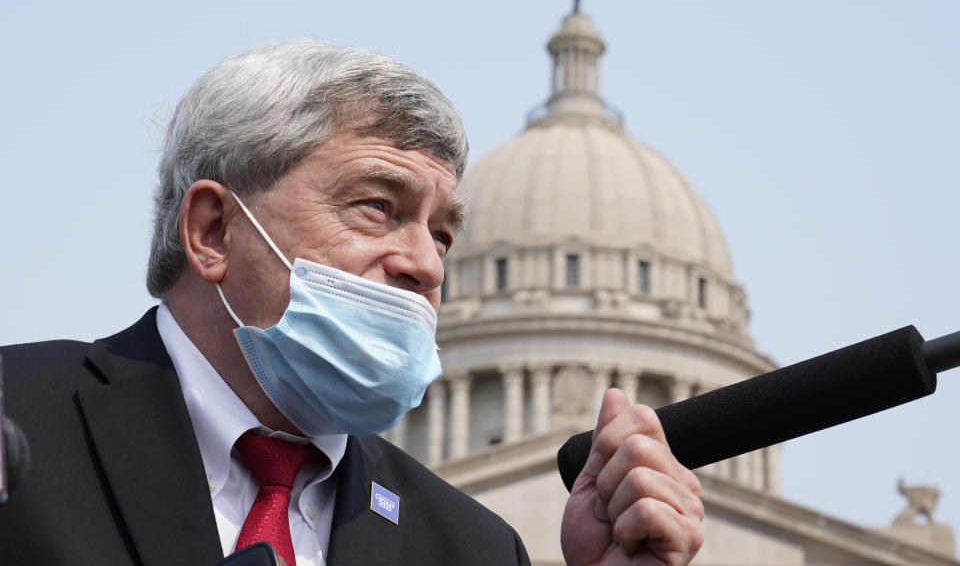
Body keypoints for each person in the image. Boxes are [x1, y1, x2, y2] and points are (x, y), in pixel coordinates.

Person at [0, 40, 703, 566]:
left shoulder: (475, 549)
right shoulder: (16, 422)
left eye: (444, 232)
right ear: (214, 230)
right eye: (377, 207)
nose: (427, 265)